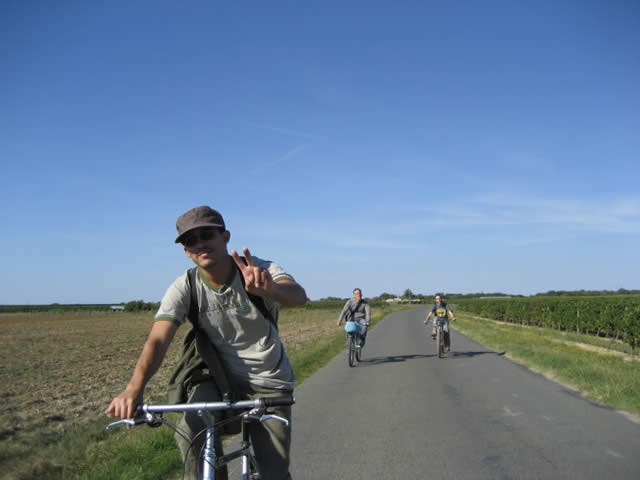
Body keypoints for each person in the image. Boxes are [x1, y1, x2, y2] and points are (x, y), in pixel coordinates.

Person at [106, 206, 307, 480]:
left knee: (274, 472)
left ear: (225, 236)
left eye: (206, 235)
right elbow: (157, 340)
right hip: (216, 378)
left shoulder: (258, 269)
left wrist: (271, 289)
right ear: (186, 251)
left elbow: (298, 295)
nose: (200, 244)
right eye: (191, 241)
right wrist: (133, 390)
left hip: (268, 382)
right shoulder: (185, 286)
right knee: (192, 430)